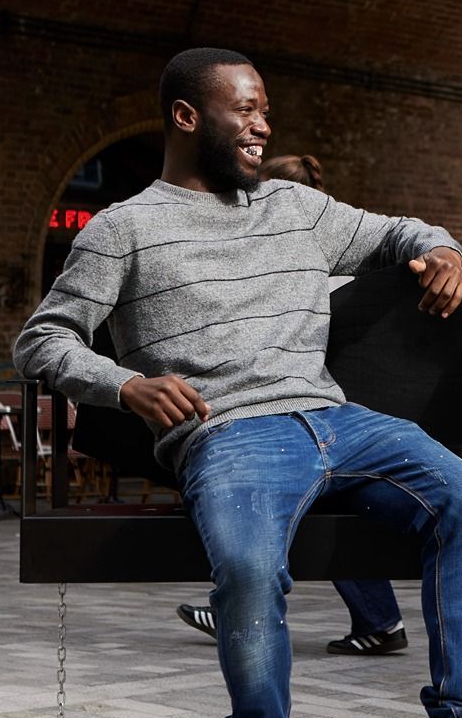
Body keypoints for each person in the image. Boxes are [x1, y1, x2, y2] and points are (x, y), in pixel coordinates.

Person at [15, 47, 462, 718]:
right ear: (187, 116)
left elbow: (399, 230)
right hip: (230, 434)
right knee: (250, 569)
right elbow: (43, 339)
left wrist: (443, 249)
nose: (263, 125)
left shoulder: (297, 207)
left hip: (335, 419)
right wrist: (126, 383)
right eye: (245, 109)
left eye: (265, 109)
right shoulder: (123, 229)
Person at [172, 153, 407, 656]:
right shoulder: (345, 264)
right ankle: (378, 618)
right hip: (343, 410)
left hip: (310, 408)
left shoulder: (304, 261)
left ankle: (248, 606)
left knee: (267, 490)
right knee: (321, 500)